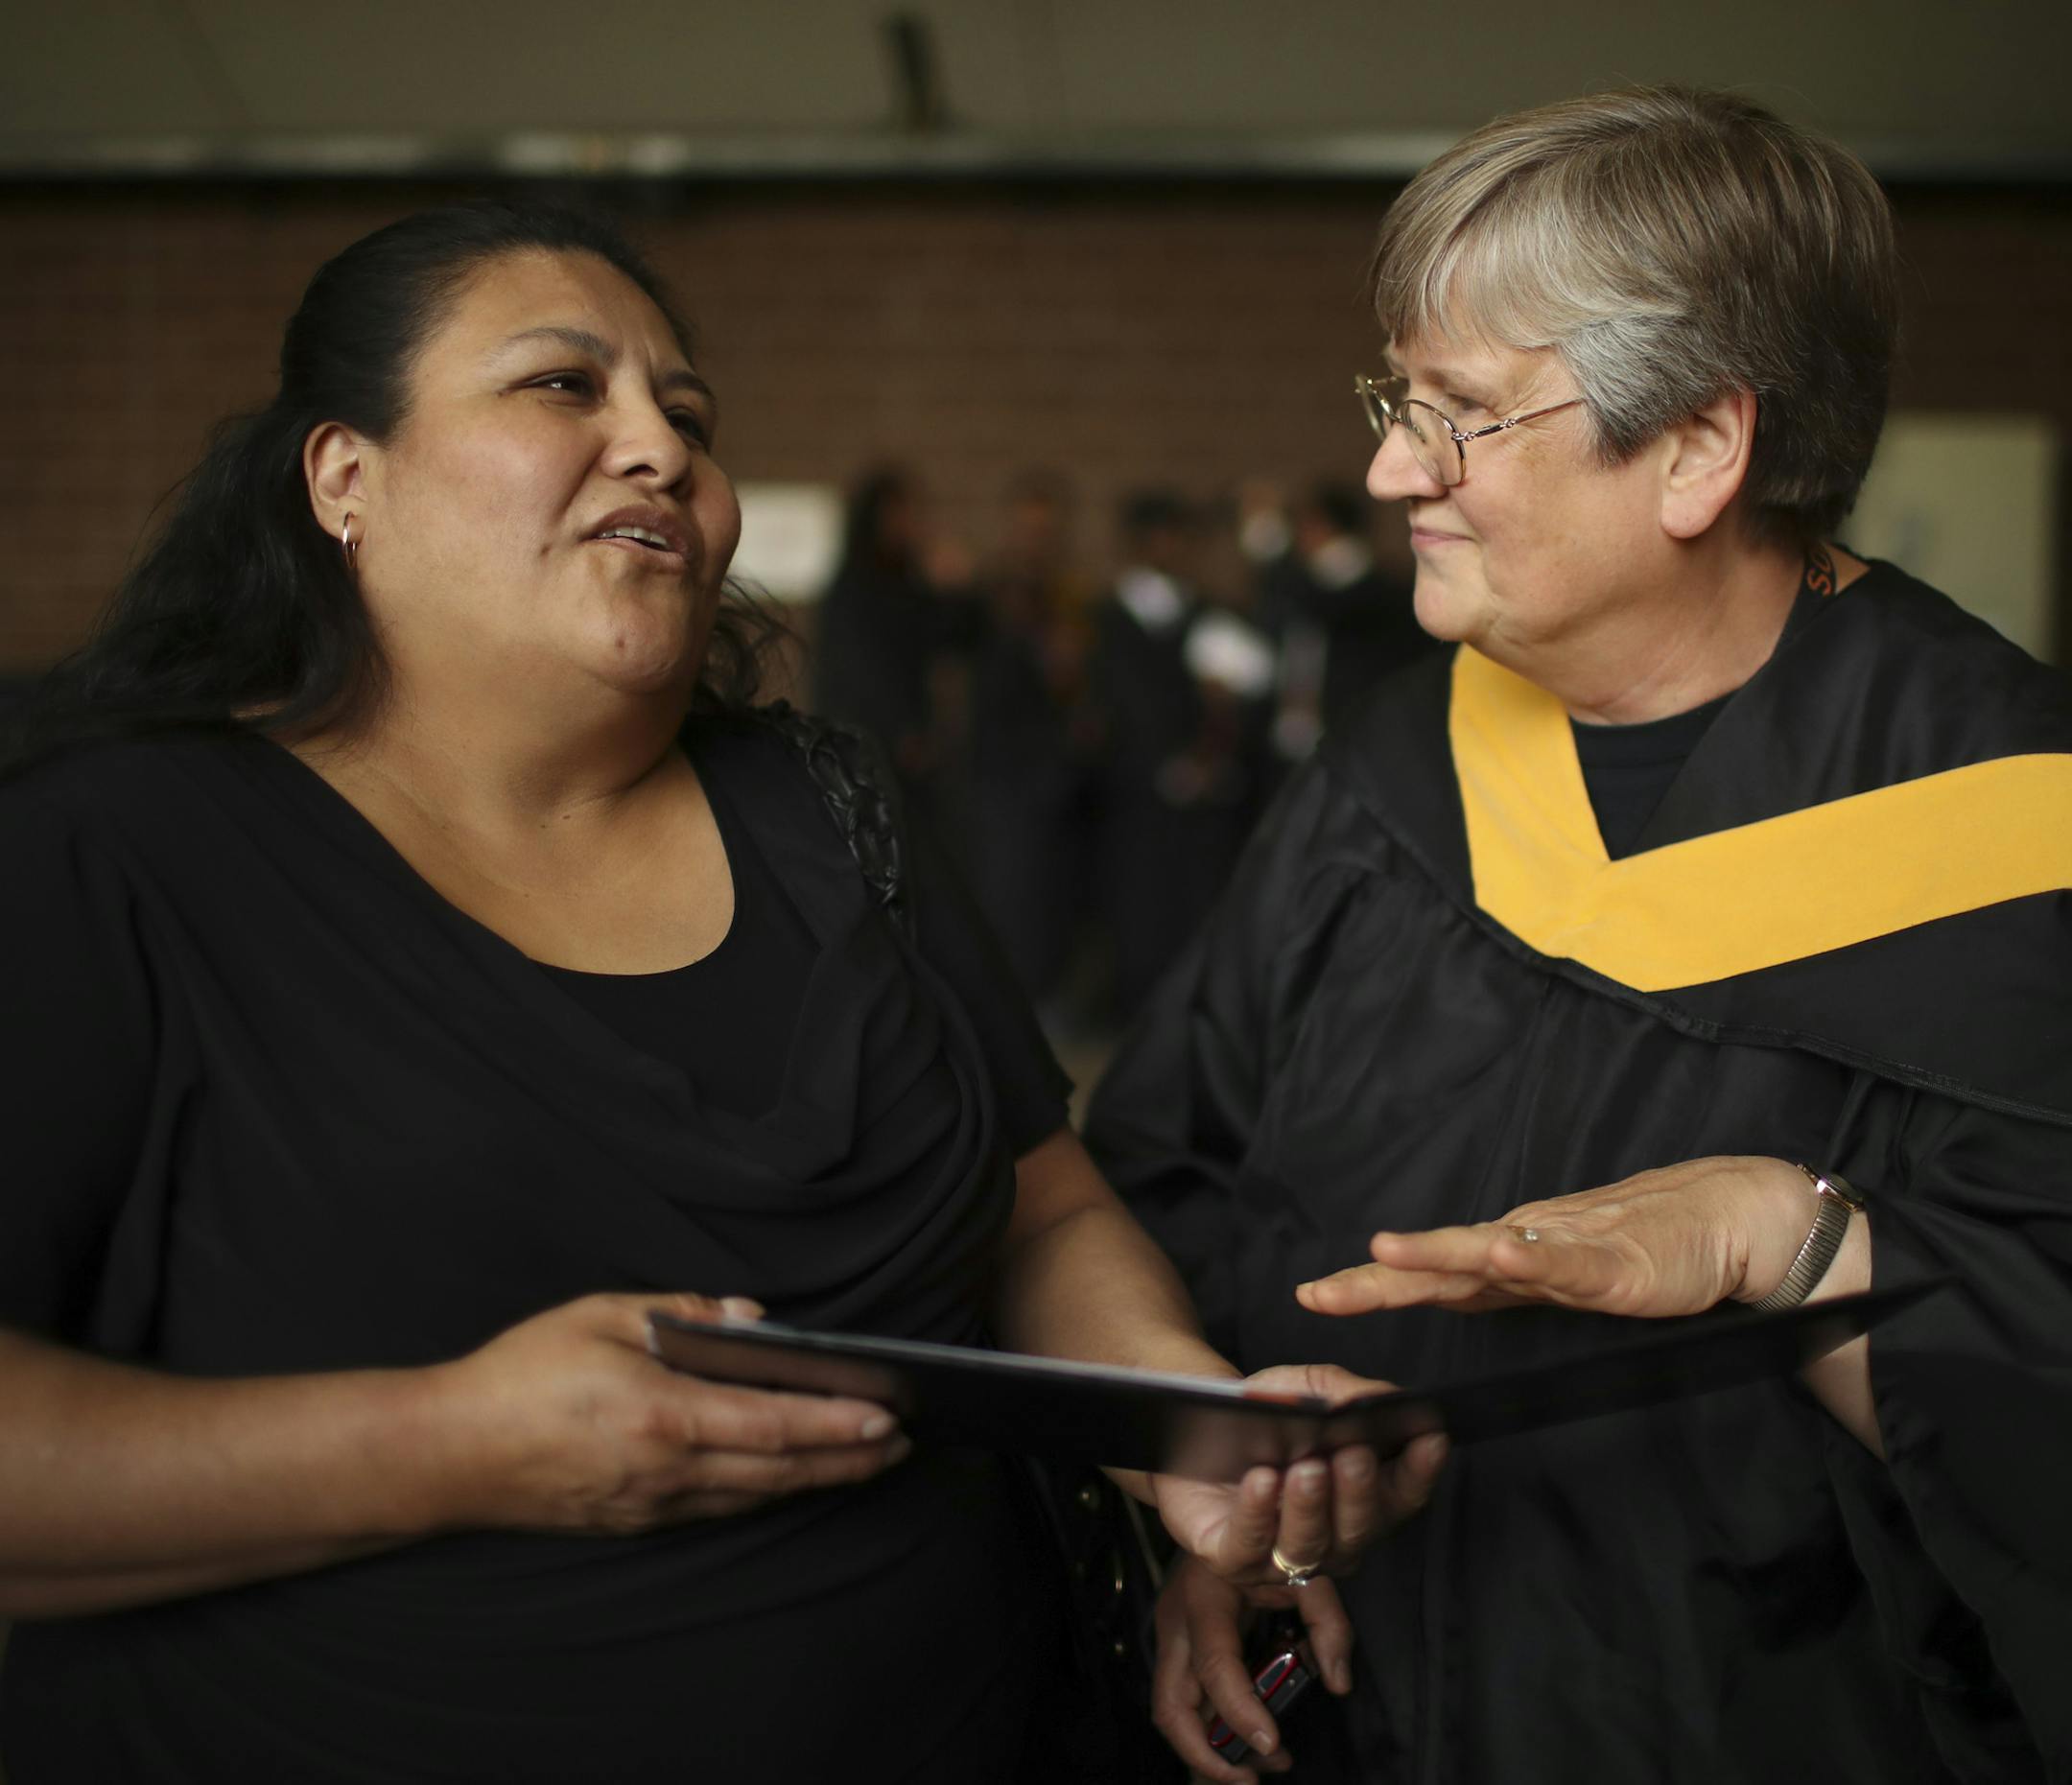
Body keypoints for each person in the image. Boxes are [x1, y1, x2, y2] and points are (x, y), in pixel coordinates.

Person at [0, 201, 1443, 1783]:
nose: (658, 448)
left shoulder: (830, 813)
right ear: (348, 478)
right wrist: (451, 1447)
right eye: (563, 387)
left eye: (688, 416)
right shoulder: (116, 854)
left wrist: (1181, 1423)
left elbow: (1046, 1213)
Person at [1085, 87, 2072, 1783]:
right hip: (1350, 1709)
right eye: (1399, 401)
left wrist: (1801, 1237)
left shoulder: (2009, 838)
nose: (1395, 467)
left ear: (1700, 444)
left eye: (1459, 414)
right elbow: (1172, 1166)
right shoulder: (1400, 765)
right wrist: (1220, 1514)